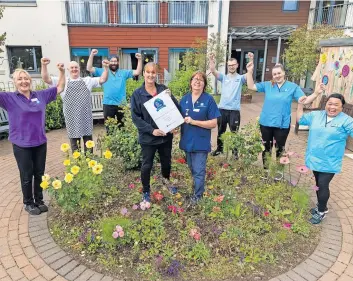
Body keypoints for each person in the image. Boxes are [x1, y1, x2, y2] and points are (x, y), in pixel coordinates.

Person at [0, 63, 65, 215]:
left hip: (40, 142)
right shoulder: (8, 98)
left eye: (26, 78)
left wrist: (62, 72)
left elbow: (60, 87)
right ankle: (28, 202)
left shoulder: (40, 95)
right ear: (14, 83)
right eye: (19, 79)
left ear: (30, 81)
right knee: (26, 174)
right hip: (21, 144)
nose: (23, 81)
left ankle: (39, 200)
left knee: (39, 173)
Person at [246, 56, 321, 172]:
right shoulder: (268, 85)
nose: (277, 76)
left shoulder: (293, 87)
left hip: (282, 124)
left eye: (279, 73)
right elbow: (251, 86)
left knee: (280, 149)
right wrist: (249, 72)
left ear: (284, 73)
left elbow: (304, 100)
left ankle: (278, 172)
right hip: (266, 123)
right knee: (266, 148)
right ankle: (266, 171)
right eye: (274, 74)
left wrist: (316, 93)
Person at [297, 91, 353, 224]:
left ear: (341, 107)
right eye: (330, 103)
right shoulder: (316, 115)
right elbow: (300, 120)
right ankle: (321, 206)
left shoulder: (347, 120)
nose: (332, 107)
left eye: (336, 105)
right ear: (326, 104)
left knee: (322, 185)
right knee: (318, 184)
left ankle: (321, 211)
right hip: (315, 157)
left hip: (330, 161)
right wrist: (300, 105)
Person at [130, 62, 179, 202]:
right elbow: (136, 118)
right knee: (147, 165)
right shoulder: (137, 94)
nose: (151, 75)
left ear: (156, 74)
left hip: (165, 137)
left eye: (153, 72)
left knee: (166, 162)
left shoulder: (163, 90)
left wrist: (174, 124)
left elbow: (174, 108)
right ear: (143, 74)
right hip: (148, 138)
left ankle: (166, 181)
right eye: (148, 72)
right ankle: (146, 190)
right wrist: (152, 130)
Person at [41, 58, 109, 153]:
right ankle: (78, 164)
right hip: (71, 117)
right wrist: (44, 65)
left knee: (88, 142)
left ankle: (89, 162)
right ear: (68, 70)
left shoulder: (87, 80)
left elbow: (103, 79)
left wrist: (106, 68)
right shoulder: (62, 81)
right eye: (72, 67)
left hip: (85, 116)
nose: (74, 69)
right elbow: (46, 79)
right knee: (74, 143)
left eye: (76, 67)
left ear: (79, 69)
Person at [179, 71, 221, 203]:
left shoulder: (208, 100)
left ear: (204, 84)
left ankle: (198, 197)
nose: (197, 81)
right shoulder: (184, 99)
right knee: (192, 168)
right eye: (195, 79)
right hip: (187, 142)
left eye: (201, 80)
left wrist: (194, 122)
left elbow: (214, 123)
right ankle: (197, 189)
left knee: (198, 171)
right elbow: (178, 119)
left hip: (200, 143)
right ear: (191, 83)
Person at [87, 49, 143, 127]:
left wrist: (139, 60)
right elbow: (89, 68)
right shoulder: (103, 71)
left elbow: (137, 72)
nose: (113, 63)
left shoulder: (124, 72)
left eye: (115, 61)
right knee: (109, 127)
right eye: (112, 61)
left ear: (118, 62)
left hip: (121, 104)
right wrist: (92, 55)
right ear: (109, 62)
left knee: (122, 127)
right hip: (108, 104)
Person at [209, 53, 250, 158]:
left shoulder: (241, 78)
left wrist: (251, 62)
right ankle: (219, 149)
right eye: (229, 65)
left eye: (233, 65)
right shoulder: (223, 77)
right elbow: (213, 71)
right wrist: (211, 60)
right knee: (221, 131)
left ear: (237, 65)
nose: (231, 67)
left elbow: (249, 74)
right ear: (228, 66)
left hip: (234, 111)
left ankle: (235, 153)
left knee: (234, 132)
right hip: (222, 109)